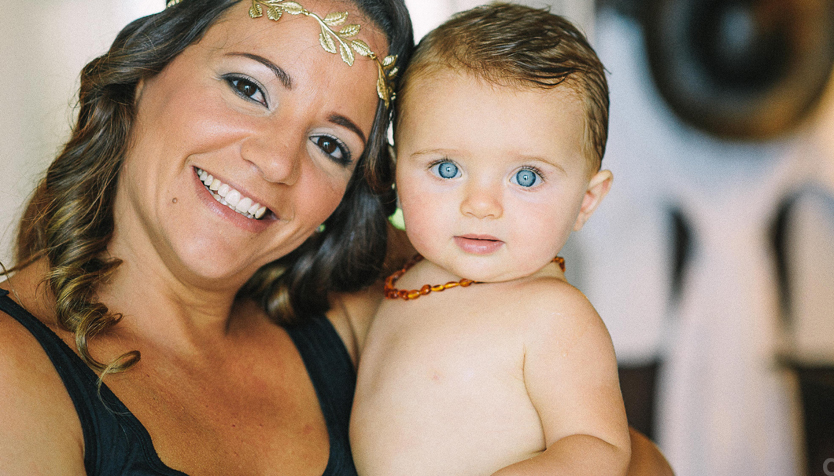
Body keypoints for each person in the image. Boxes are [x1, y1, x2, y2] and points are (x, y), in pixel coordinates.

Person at [0, 0, 413, 473]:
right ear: (144, 73)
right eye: (248, 88)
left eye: (330, 145)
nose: (277, 163)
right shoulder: (11, 371)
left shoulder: (357, 327)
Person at [350, 3, 634, 475]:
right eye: (446, 169)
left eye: (526, 177)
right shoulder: (401, 280)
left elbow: (599, 447)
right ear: (396, 171)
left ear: (586, 201)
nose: (481, 205)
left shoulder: (554, 315)